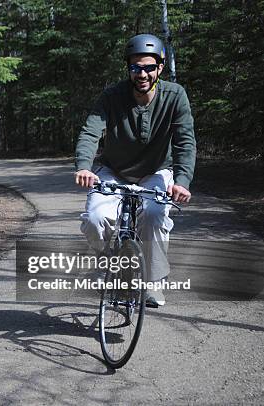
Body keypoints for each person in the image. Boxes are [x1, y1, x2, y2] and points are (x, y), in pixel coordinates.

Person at [74, 34, 196, 307]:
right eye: (135, 68)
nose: (142, 74)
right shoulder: (112, 96)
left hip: (155, 171)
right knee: (95, 219)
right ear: (128, 68)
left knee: (153, 215)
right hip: (113, 171)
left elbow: (185, 142)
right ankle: (109, 267)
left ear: (160, 68)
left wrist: (182, 181)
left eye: (149, 68)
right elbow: (90, 132)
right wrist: (84, 166)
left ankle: (153, 283)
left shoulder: (175, 97)